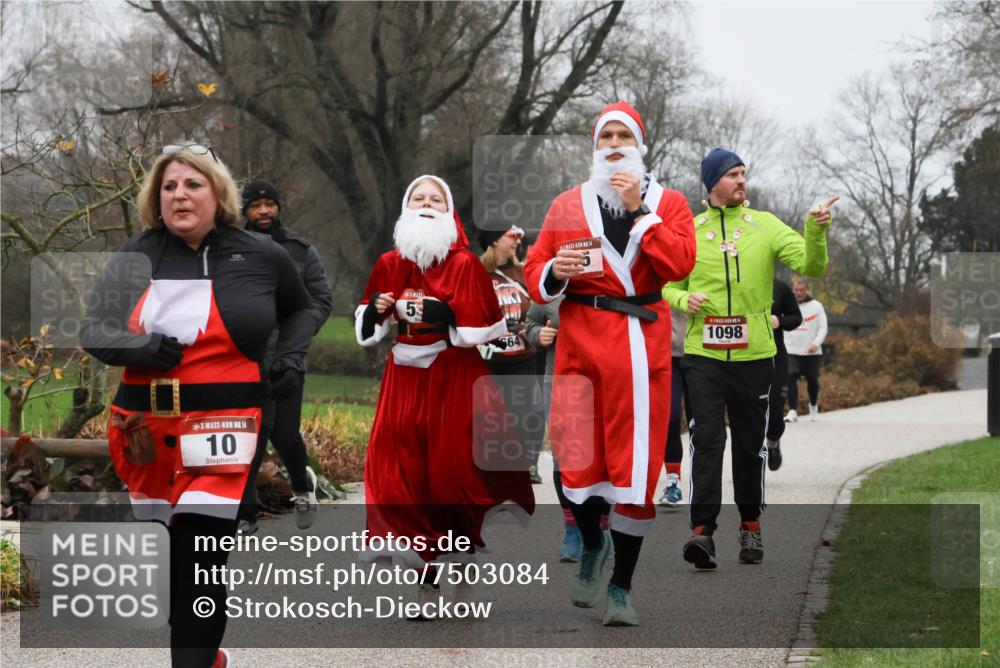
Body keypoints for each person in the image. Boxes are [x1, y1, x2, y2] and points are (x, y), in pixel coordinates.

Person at [80, 143, 312, 667]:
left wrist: (290, 357)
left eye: (192, 184)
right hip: (144, 430)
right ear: (156, 199)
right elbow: (93, 330)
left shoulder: (260, 253)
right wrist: (141, 346)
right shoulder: (136, 255)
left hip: (227, 426)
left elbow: (301, 309)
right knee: (164, 572)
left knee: (201, 560)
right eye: (168, 186)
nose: (179, 194)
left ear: (217, 193)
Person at [525, 101, 696, 626]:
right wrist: (557, 267)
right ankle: (593, 541)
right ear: (595, 147)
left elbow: (681, 263)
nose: (615, 143)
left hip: (642, 350)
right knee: (575, 462)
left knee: (635, 471)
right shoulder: (566, 206)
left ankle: (621, 587)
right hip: (580, 342)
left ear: (640, 146)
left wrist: (642, 214)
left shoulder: (670, 203)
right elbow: (534, 271)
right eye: (606, 136)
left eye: (625, 135)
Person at [355, 175, 534, 602]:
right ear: (406, 206)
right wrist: (379, 311)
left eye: (436, 198)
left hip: (453, 377)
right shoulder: (389, 262)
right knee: (396, 464)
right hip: (403, 378)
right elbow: (368, 325)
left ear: (448, 210)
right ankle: (423, 567)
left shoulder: (465, 265)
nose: (427, 204)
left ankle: (460, 546)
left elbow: (486, 327)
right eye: (418, 197)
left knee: (451, 474)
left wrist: (446, 315)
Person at [663, 148, 837, 569]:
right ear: (712, 183)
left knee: (747, 444)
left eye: (743, 173)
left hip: (755, 356)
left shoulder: (765, 225)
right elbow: (666, 286)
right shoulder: (689, 228)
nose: (741, 181)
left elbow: (812, 265)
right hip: (703, 355)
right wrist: (687, 298)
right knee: (706, 440)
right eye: (732, 175)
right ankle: (702, 534)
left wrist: (815, 229)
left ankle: (750, 525)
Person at [237, 179, 333, 534]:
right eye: (255, 205)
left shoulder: (300, 250)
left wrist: (295, 348)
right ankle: (245, 515)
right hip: (246, 360)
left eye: (270, 204)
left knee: (286, 435)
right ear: (244, 211)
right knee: (252, 434)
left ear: (278, 208)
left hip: (289, 357)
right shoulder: (231, 247)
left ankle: (302, 485)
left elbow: (320, 301)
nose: (264, 211)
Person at [525, 296, 612, 563]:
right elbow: (530, 323)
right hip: (561, 381)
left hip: (603, 380)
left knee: (602, 456)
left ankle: (604, 528)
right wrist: (539, 334)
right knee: (565, 458)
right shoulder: (551, 290)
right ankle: (572, 529)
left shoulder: (605, 285)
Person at [477, 224, 545, 485]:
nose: (517, 241)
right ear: (494, 241)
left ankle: (526, 464)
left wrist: (538, 327)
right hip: (488, 356)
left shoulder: (522, 273)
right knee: (491, 413)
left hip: (524, 355)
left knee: (526, 410)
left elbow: (541, 309)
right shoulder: (477, 273)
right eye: (511, 236)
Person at [766, 278, 803, 470]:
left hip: (775, 356)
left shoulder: (779, 287)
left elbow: (796, 317)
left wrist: (779, 321)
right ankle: (750, 460)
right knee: (748, 414)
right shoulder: (739, 282)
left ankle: (773, 443)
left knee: (774, 413)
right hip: (745, 358)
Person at [659, 309, 692, 507]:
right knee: (670, 419)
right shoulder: (662, 279)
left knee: (699, 423)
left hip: (700, 355)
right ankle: (673, 481)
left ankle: (702, 481)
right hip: (667, 357)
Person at [785, 278, 828, 422]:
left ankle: (814, 406)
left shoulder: (817, 306)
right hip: (791, 350)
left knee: (813, 381)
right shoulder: (788, 305)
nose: (798, 293)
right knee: (790, 377)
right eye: (796, 290)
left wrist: (816, 343)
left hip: (811, 351)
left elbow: (823, 327)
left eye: (801, 290)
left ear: (807, 290)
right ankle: (792, 411)